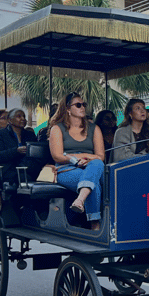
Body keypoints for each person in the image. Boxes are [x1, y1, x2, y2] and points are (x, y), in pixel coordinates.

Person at [48, 92, 106, 230]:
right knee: (94, 185)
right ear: (68, 109)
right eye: (78, 105)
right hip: (67, 168)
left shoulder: (94, 128)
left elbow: (100, 156)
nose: (82, 107)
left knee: (97, 164)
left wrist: (85, 157)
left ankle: (80, 200)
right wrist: (75, 159)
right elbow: (57, 156)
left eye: (83, 105)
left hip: (91, 166)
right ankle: (95, 225)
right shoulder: (57, 129)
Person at [0, 108, 43, 213]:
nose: (23, 119)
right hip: (8, 170)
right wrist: (16, 151)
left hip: (27, 169)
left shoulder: (29, 134)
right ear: (10, 121)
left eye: (24, 116)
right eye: (18, 116)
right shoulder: (1, 134)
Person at [111, 98, 149, 163]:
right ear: (130, 114)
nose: (142, 111)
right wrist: (145, 156)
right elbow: (122, 157)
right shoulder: (121, 132)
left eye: (143, 108)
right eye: (138, 108)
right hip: (128, 169)